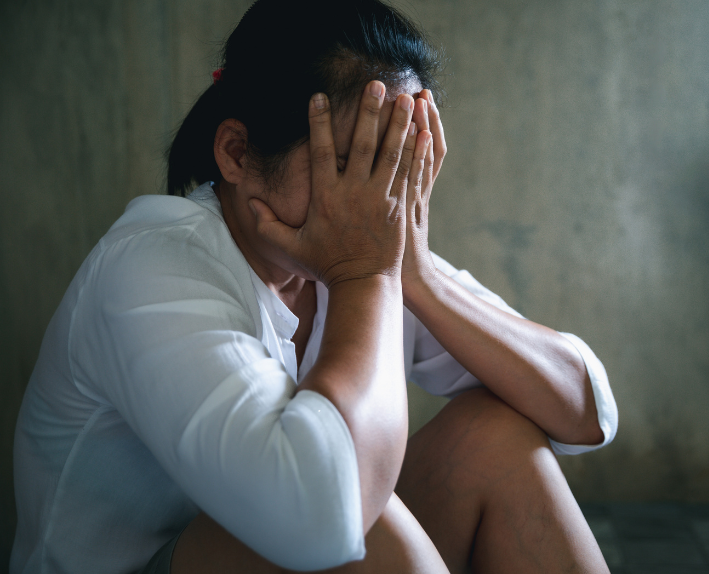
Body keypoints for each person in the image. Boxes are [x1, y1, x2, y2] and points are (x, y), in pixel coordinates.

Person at [10, 0, 618, 572]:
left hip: (303, 519)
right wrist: (367, 277)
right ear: (237, 152)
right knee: (363, 529)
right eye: (350, 161)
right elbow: (321, 515)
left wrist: (419, 276)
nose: (378, 198)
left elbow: (586, 413)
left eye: (396, 163)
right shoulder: (151, 269)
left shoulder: (368, 253)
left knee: (496, 438)